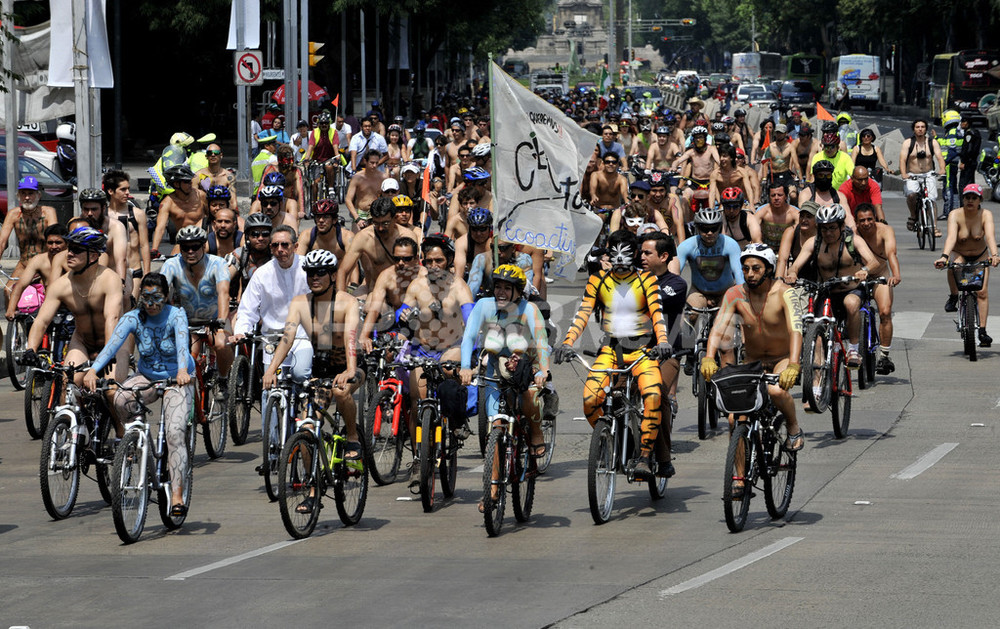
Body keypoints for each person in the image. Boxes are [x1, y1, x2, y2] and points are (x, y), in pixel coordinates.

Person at [552, 229, 672, 478]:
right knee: (589, 400)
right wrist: (566, 342)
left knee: (652, 396)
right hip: (610, 350)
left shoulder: (647, 280)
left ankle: (645, 457)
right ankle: (609, 437)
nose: (618, 260)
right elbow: (582, 314)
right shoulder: (597, 280)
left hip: (644, 352)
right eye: (613, 254)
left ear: (635, 254)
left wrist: (662, 342)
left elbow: (658, 314)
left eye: (624, 254)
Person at [83, 273, 194, 516]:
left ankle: (176, 493)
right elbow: (112, 343)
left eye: (156, 297)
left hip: (177, 377)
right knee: (121, 398)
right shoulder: (133, 317)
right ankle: (137, 442)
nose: (151, 303)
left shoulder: (176, 315)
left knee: (175, 433)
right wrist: (93, 370)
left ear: (166, 297)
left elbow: (183, 345)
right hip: (148, 375)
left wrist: (184, 371)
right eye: (146, 297)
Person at [261, 249, 363, 477]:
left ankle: (353, 437)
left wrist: (350, 369)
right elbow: (287, 339)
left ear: (333, 276)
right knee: (306, 430)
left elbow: (350, 337)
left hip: (349, 365)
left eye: (320, 273)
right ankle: (311, 489)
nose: (314, 278)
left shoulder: (348, 302)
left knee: (341, 391)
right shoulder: (300, 303)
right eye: (310, 274)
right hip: (321, 370)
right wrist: (270, 370)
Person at [459, 264, 554, 510]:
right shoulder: (484, 306)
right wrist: (465, 367)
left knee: (530, 397)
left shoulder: (529, 309)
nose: (501, 292)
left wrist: (542, 371)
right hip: (494, 367)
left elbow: (542, 342)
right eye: (498, 286)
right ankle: (492, 489)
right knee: (496, 428)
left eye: (507, 288)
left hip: (526, 364)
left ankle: (535, 433)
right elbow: (469, 337)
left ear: (518, 291)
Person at [701, 243, 805, 457]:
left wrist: (794, 364)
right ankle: (739, 478)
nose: (749, 274)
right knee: (733, 418)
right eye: (745, 269)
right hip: (753, 361)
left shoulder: (786, 293)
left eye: (756, 268)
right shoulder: (734, 293)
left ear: (768, 269)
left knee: (776, 391)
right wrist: (709, 358)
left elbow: (796, 331)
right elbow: (718, 328)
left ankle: (793, 427)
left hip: (782, 358)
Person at [398, 233, 475, 490]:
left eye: (439, 261)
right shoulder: (416, 287)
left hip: (450, 348)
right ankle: (418, 458)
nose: (433, 266)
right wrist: (402, 317)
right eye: (429, 261)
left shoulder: (459, 287)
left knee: (447, 371)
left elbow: (471, 319)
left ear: (449, 261)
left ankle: (456, 421)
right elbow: (402, 314)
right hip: (422, 350)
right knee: (417, 399)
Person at [233, 225, 312, 442]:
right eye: (275, 245)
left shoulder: (308, 267)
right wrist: (241, 332)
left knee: (300, 376)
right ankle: (274, 447)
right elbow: (248, 310)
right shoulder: (262, 274)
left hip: (302, 337)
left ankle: (302, 421)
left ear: (295, 246)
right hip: (271, 340)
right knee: (269, 390)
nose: (280, 250)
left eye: (285, 244)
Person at [23, 227, 123, 389]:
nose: (69, 254)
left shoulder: (109, 279)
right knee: (68, 385)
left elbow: (112, 318)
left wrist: (108, 353)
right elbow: (42, 321)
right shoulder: (61, 285)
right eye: (70, 249)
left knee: (111, 391)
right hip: (82, 341)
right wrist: (31, 349)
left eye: (77, 250)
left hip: (113, 342)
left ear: (93, 256)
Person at [786, 204, 879, 367]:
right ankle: (816, 383)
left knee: (850, 304)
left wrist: (864, 270)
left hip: (852, 289)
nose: (828, 233)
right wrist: (792, 273)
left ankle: (853, 349)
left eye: (832, 228)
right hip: (827, 291)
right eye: (824, 229)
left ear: (842, 226)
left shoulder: (854, 241)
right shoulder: (813, 243)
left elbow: (874, 262)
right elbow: (795, 265)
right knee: (816, 325)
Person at [638, 231, 687, 476]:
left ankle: (662, 457)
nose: (642, 257)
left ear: (664, 256)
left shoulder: (676, 284)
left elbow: (652, 300)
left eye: (648, 253)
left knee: (657, 394)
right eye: (641, 252)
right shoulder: (631, 278)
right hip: (631, 351)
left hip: (665, 354)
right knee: (608, 391)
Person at [161, 225, 233, 379]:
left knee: (220, 343)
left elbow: (223, 293)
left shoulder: (218, 263)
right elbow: (161, 292)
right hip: (186, 321)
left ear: (204, 246)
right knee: (180, 353)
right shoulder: (172, 265)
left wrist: (220, 322)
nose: (190, 252)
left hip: (214, 320)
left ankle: (224, 379)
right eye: (186, 248)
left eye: (195, 247)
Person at [934, 183, 1000, 346]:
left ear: (980, 200)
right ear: (963, 199)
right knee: (953, 265)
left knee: (982, 292)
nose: (970, 200)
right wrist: (944, 256)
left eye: (974, 198)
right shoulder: (955, 214)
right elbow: (951, 238)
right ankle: (954, 295)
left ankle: (983, 331)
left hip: (980, 255)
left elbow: (990, 236)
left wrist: (994, 255)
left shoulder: (986, 215)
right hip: (960, 254)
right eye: (967, 197)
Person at [853, 204, 901, 373]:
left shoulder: (885, 230)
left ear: (875, 218)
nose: (866, 223)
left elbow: (891, 254)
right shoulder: (852, 234)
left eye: (869, 219)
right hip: (857, 276)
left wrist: (895, 274)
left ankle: (884, 355)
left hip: (880, 274)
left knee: (885, 312)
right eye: (862, 221)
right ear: (856, 222)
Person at [337, 197, 419, 293]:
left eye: (385, 223)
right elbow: (343, 271)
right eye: (376, 223)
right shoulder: (364, 236)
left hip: (402, 290)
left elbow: (416, 268)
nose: (380, 228)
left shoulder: (407, 236)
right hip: (373, 289)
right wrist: (341, 297)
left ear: (395, 218)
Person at [358, 236, 422, 347]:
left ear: (416, 259)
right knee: (369, 303)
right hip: (395, 324)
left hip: (420, 325)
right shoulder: (386, 276)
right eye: (397, 259)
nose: (401, 263)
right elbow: (374, 309)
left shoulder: (423, 276)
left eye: (406, 259)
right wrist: (364, 336)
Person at [0, 176, 58, 295]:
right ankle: (11, 314)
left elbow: (55, 237)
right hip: (24, 263)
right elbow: (1, 241)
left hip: (45, 262)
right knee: (8, 290)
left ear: (38, 195)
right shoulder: (13, 214)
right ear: (18, 196)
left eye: (31, 193)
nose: (27, 197)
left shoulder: (48, 212)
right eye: (23, 193)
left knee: (47, 292)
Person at [103, 170, 151, 302]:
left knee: (130, 306)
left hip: (134, 270)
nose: (128, 193)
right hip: (111, 271)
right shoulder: (103, 216)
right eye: (123, 189)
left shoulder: (137, 214)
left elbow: (144, 245)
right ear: (110, 191)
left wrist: (147, 273)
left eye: (128, 189)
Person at [5, 225, 67, 320]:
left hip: (70, 307)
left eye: (58, 243)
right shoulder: (39, 260)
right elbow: (20, 285)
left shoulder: (73, 260)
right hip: (48, 306)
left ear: (67, 243)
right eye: (50, 243)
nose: (54, 246)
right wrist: (11, 309)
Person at [900, 119, 946, 237]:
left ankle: (934, 227)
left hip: (928, 174)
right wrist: (904, 174)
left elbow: (940, 157)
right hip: (912, 175)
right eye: (917, 127)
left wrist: (942, 169)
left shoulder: (932, 142)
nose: (920, 129)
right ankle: (913, 216)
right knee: (911, 195)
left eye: (922, 127)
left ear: (926, 129)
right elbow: (902, 159)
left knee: (932, 200)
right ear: (914, 129)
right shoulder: (908, 143)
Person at [152, 164, 208, 255]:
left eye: (190, 181)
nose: (190, 184)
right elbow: (160, 228)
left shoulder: (200, 195)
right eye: (186, 182)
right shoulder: (167, 203)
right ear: (176, 184)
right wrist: (154, 249)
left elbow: (213, 217)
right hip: (183, 240)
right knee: (172, 263)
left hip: (203, 239)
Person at [227, 213, 272, 302]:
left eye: (265, 234)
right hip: (246, 305)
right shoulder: (240, 253)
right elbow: (225, 277)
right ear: (247, 236)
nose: (260, 238)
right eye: (255, 234)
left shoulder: (276, 254)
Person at [345, 150, 387, 227]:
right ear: (365, 161)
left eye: (376, 163)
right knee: (357, 237)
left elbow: (390, 197)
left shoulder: (383, 177)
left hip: (377, 214)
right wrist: (357, 218)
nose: (374, 165)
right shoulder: (357, 178)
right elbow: (348, 199)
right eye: (372, 163)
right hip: (361, 213)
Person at [810, 121, 855, 191]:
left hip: (840, 192)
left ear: (838, 147)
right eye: (826, 147)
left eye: (832, 147)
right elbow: (812, 177)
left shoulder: (845, 157)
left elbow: (853, 175)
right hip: (822, 192)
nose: (829, 150)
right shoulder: (817, 157)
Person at [754, 183, 800, 252]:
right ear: (769, 197)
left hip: (789, 249)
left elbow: (800, 236)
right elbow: (754, 234)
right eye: (773, 195)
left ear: (786, 197)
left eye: (780, 195)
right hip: (765, 249)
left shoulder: (795, 213)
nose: (776, 198)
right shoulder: (761, 211)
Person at [937, 109, 964, 219]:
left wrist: (944, 162)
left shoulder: (952, 132)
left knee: (948, 187)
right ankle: (956, 211)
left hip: (949, 164)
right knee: (953, 187)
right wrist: (936, 139)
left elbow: (952, 150)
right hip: (954, 163)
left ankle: (947, 212)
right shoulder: (953, 131)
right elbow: (947, 144)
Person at [195, 144, 237, 210]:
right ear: (206, 156)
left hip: (222, 212)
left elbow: (233, 201)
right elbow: (192, 199)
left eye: (216, 153)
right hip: (204, 212)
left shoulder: (228, 176)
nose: (213, 155)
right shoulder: (198, 175)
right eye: (210, 153)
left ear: (221, 155)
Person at [959, 114, 982, 192]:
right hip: (973, 161)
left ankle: (964, 203)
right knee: (971, 184)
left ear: (967, 123)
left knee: (963, 184)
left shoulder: (969, 133)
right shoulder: (976, 132)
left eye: (963, 121)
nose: (961, 124)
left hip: (968, 162)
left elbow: (969, 149)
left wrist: (963, 162)